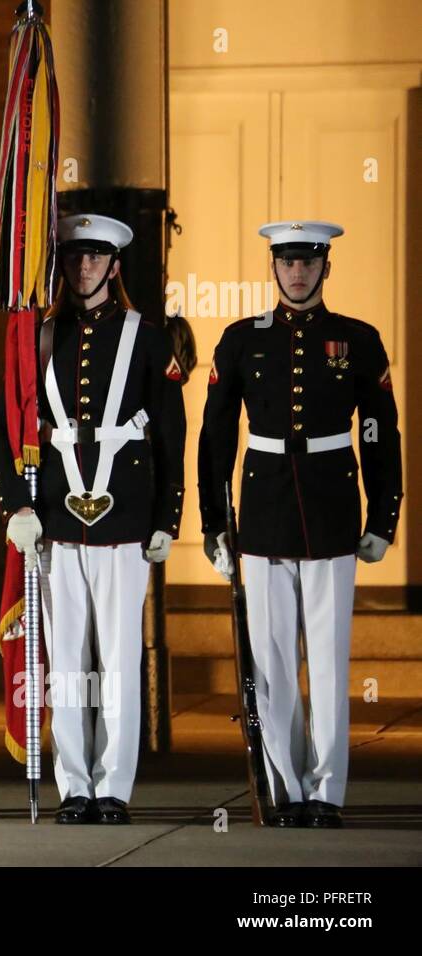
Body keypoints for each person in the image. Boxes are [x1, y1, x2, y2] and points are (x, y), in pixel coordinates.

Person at [198, 220, 402, 829]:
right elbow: (215, 440)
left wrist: (383, 513)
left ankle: (327, 792)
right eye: (286, 261)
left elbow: (379, 434)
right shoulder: (240, 340)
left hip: (333, 508)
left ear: (325, 268)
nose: (297, 272)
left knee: (331, 659)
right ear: (273, 267)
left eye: (308, 262)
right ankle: (284, 789)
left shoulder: (357, 340)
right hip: (262, 513)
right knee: (273, 660)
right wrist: (215, 523)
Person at [0, 214, 187, 824]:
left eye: (95, 257)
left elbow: (172, 436)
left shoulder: (147, 338)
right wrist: (15, 505)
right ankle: (73, 784)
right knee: (68, 661)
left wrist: (167, 516)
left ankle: (114, 787)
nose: (84, 269)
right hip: (55, 517)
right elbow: (8, 428)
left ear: (115, 265)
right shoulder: (38, 337)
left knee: (119, 658)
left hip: (124, 516)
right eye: (75, 258)